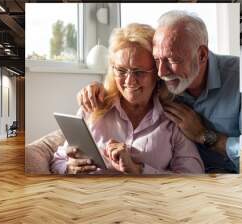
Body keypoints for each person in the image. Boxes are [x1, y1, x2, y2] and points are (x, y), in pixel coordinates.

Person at [77, 11, 241, 173]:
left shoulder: (240, 77)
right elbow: (128, 72)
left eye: (172, 59)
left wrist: (203, 135)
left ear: (202, 55)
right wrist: (95, 88)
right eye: (157, 61)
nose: (161, 72)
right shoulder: (167, 81)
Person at [51, 23, 204, 175]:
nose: (130, 81)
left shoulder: (173, 119)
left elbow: (193, 176)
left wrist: (138, 170)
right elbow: (58, 160)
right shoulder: (93, 106)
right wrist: (69, 168)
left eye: (139, 72)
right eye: (122, 70)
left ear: (157, 73)